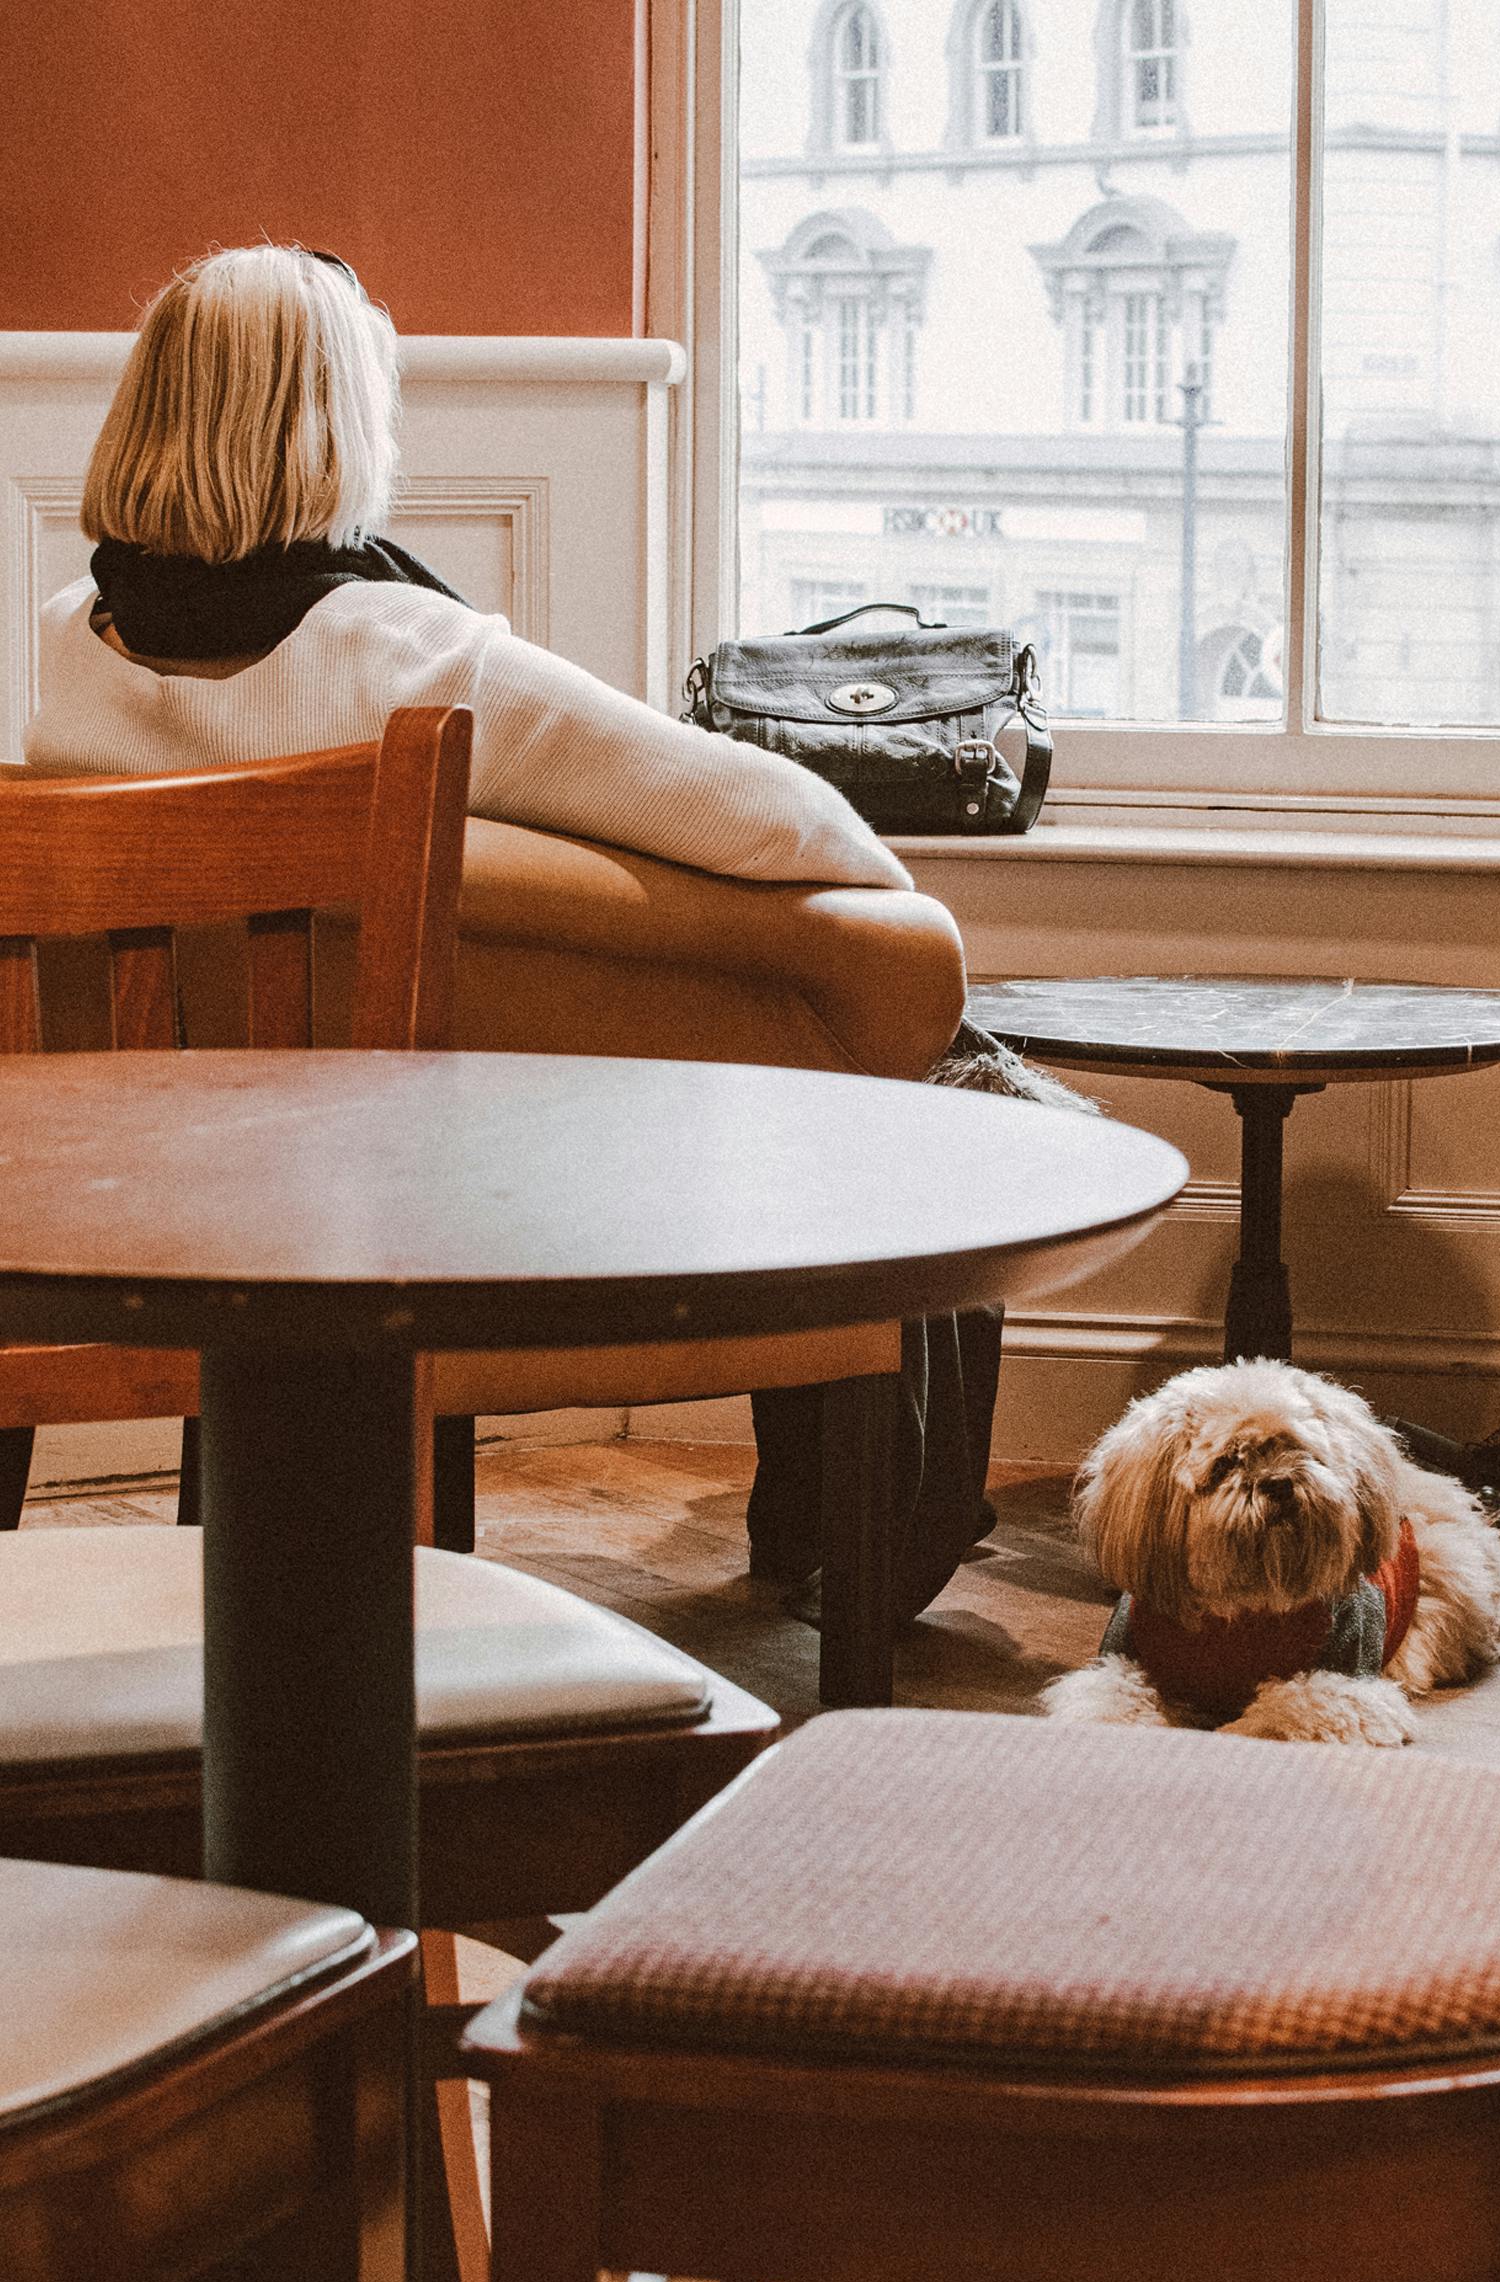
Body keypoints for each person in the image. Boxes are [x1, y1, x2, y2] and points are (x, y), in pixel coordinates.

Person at [24, 241, 1007, 1622]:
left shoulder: (57, 655)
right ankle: (851, 1550)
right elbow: (802, 832)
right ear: (334, 429)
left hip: (147, 1203)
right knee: (923, 1050)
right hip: (424, 1209)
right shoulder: (415, 661)